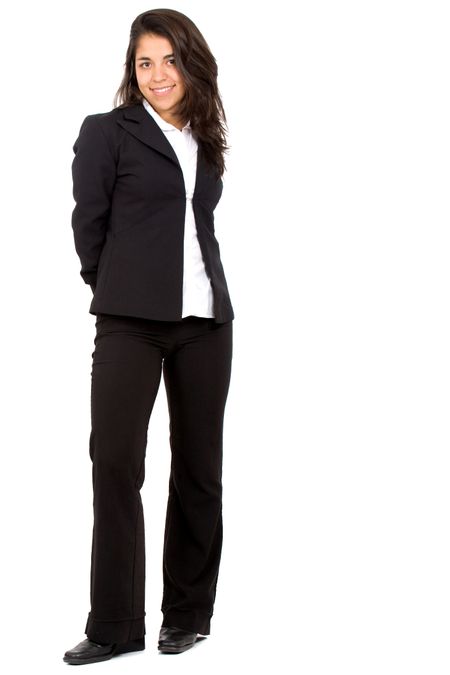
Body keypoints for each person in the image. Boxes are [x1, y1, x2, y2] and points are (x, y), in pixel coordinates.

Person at [63, 8, 235, 666]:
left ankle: (188, 614)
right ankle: (113, 624)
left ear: (191, 64)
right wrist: (113, 285)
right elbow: (89, 224)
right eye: (145, 62)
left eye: (169, 60)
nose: (158, 74)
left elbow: (199, 230)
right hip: (129, 320)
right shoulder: (107, 132)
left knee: (199, 469)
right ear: (131, 73)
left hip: (206, 324)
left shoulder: (206, 138)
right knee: (114, 462)